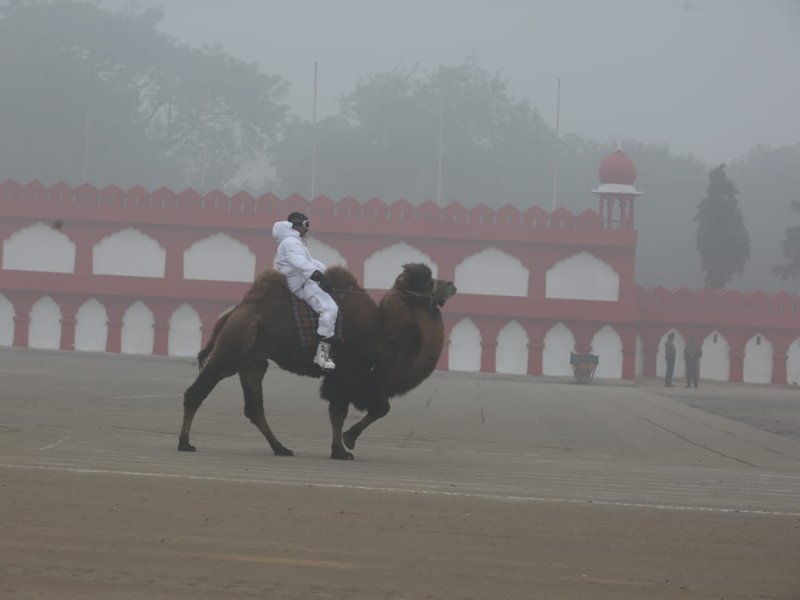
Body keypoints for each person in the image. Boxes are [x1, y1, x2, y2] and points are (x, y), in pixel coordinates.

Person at [272, 212, 337, 371]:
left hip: (304, 279)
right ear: (295, 226)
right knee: (329, 308)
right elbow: (299, 262)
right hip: (301, 283)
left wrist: (324, 272)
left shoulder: (294, 241)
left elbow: (309, 261)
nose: (308, 229)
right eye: (306, 225)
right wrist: (318, 276)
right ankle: (322, 355)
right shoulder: (291, 242)